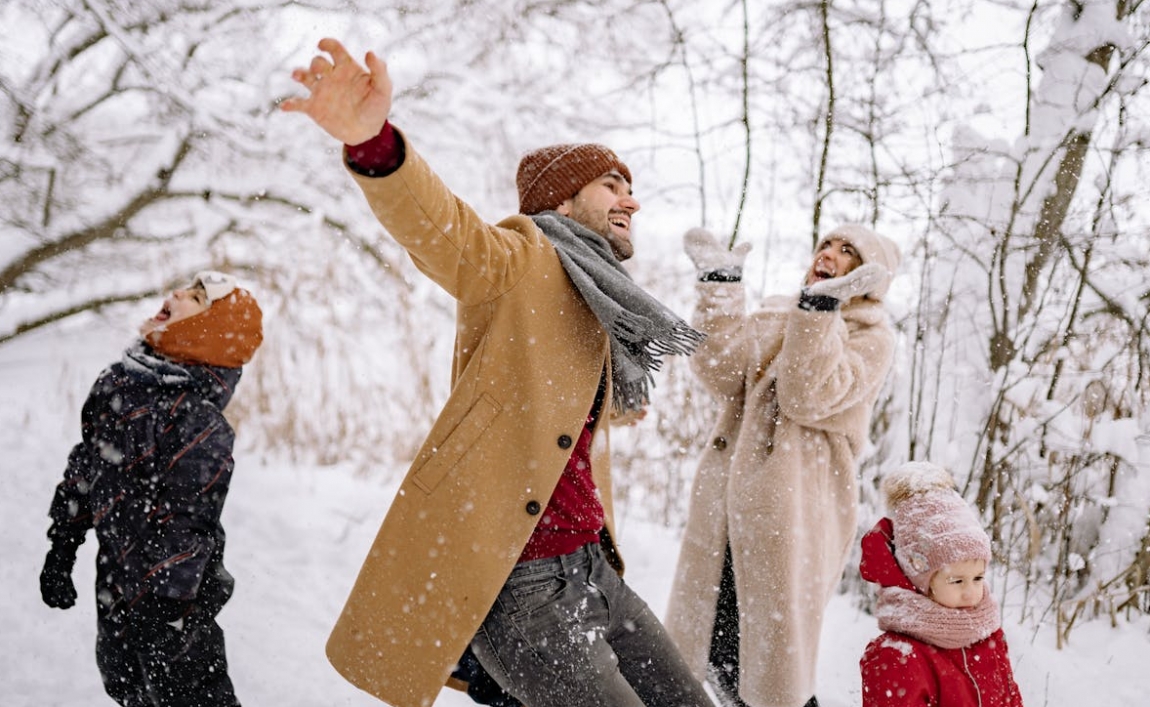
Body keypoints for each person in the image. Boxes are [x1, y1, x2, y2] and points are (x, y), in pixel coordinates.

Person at [281, 38, 713, 707]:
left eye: (632, 187)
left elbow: (553, 411)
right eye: (612, 185)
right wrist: (376, 146)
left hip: (593, 568)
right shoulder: (521, 258)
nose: (632, 200)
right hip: (525, 580)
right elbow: (447, 234)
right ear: (563, 204)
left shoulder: (596, 297)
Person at [664, 224, 901, 707]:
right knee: (709, 650)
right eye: (826, 246)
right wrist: (721, 287)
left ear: (871, 276)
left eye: (848, 252)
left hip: (793, 513)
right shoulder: (779, 310)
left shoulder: (872, 338)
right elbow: (719, 370)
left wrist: (820, 312)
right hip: (726, 508)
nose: (829, 255)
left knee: (773, 673)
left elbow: (804, 395)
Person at [39, 271, 263, 707]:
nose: (176, 293)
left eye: (195, 298)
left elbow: (188, 520)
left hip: (175, 596)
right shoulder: (118, 383)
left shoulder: (198, 421)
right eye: (185, 287)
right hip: (117, 577)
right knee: (126, 683)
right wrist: (62, 545)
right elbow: (88, 464)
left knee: (190, 695)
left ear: (205, 331)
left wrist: (166, 605)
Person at [858, 461, 1025, 707]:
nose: (970, 593)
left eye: (977, 578)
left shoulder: (987, 634)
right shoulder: (898, 656)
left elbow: (1010, 699)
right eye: (956, 581)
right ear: (921, 581)